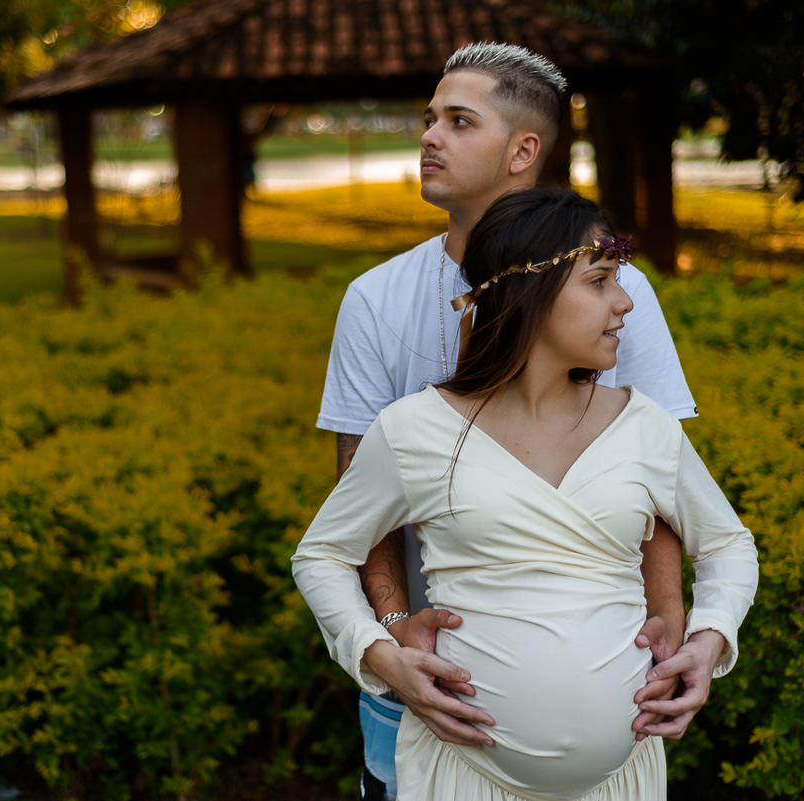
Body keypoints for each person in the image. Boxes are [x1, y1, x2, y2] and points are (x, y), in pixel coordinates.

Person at [317, 43, 699, 800]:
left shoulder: (625, 294)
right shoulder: (374, 299)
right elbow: (357, 511)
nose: (429, 137)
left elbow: (663, 486)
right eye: (430, 119)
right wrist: (393, 629)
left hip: (610, 710)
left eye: (459, 122)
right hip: (425, 698)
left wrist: (669, 621)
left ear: (525, 150)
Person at [294, 187, 759, 800]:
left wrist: (709, 638)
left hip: (623, 783)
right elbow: (322, 554)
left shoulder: (644, 425)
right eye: (599, 281)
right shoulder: (416, 430)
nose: (624, 303)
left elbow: (727, 543)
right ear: (528, 295)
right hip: (459, 777)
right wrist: (380, 651)